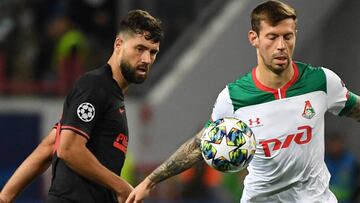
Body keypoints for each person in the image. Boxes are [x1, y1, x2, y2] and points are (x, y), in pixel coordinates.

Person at [125, 1, 360, 203]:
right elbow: (200, 144)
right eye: (272, 37)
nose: (281, 46)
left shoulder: (321, 81)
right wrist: (151, 180)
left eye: (287, 36)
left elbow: (356, 108)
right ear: (254, 38)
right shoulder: (234, 97)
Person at [0, 9, 163, 203]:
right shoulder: (95, 85)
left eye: (153, 52)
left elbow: (51, 145)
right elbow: (68, 149)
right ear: (118, 45)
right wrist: (120, 186)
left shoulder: (111, 95)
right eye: (140, 48)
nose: (146, 59)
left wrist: (4, 197)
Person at [325, 133, 360, 203]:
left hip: (348, 200)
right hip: (328, 200)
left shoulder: (351, 161)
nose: (334, 147)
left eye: (337, 144)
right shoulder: (324, 161)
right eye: (332, 145)